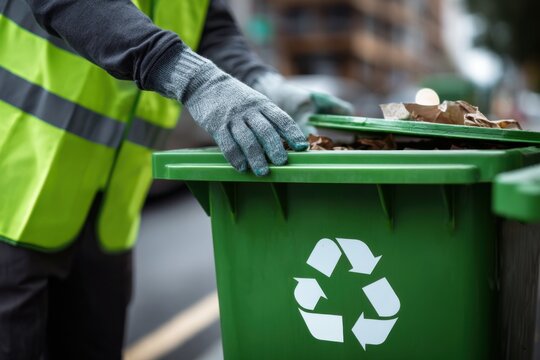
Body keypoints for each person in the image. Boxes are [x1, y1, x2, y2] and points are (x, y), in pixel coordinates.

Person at [0, 0, 353, 358]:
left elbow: (211, 32)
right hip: (13, 194)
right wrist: (194, 79)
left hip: (107, 213)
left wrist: (263, 84)